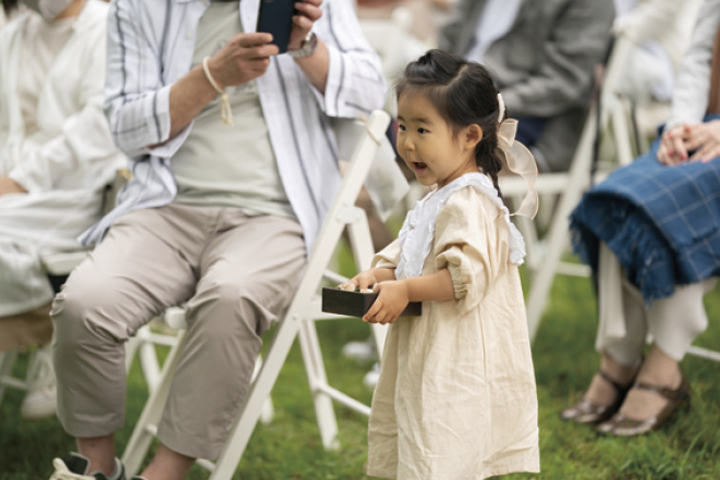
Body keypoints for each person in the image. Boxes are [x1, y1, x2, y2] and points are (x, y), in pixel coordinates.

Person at [48, 0, 385, 479]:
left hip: (275, 212)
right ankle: (97, 468)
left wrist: (306, 47)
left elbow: (373, 95)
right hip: (165, 205)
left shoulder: (312, 4)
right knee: (84, 302)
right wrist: (210, 77)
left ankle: (165, 473)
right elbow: (124, 128)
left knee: (231, 295)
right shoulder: (137, 7)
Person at [340, 50, 539, 479]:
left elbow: (462, 275)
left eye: (423, 129)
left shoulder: (471, 200)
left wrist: (407, 290)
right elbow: (414, 251)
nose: (408, 142)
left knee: (445, 441)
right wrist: (382, 275)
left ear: (469, 136)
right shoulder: (441, 194)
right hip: (428, 345)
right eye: (403, 126)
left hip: (458, 349)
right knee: (421, 431)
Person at [562, 0, 720, 436]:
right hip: (701, 128)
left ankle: (664, 367)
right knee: (614, 200)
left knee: (663, 210)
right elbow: (699, 57)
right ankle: (621, 356)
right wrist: (679, 126)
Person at [0, 0, 123, 420]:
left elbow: (96, 131)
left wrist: (19, 181)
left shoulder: (107, 28)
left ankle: (49, 332)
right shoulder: (18, 30)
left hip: (71, 194)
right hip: (12, 182)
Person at [438, 0, 615, 172]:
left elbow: (565, 82)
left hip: (523, 118)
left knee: (435, 148)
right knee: (420, 136)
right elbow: (449, 40)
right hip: (456, 93)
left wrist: (490, 104)